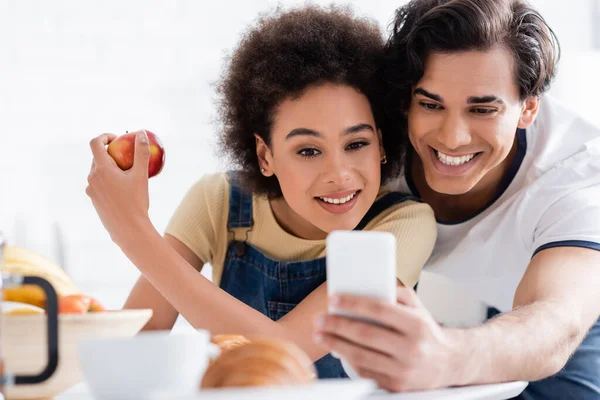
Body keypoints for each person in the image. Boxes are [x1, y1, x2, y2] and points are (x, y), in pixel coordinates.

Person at [85, 5, 437, 379]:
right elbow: (138, 344)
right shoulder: (219, 202)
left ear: (381, 144)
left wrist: (131, 231)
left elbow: (281, 350)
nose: (339, 174)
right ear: (265, 155)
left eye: (356, 144)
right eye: (308, 150)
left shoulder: (403, 225)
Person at [315, 0, 600, 397]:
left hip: (542, 309)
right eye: (430, 105)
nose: (452, 138)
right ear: (405, 100)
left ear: (528, 109)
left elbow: (558, 322)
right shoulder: (362, 142)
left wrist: (446, 355)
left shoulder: (575, 173)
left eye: (482, 109)